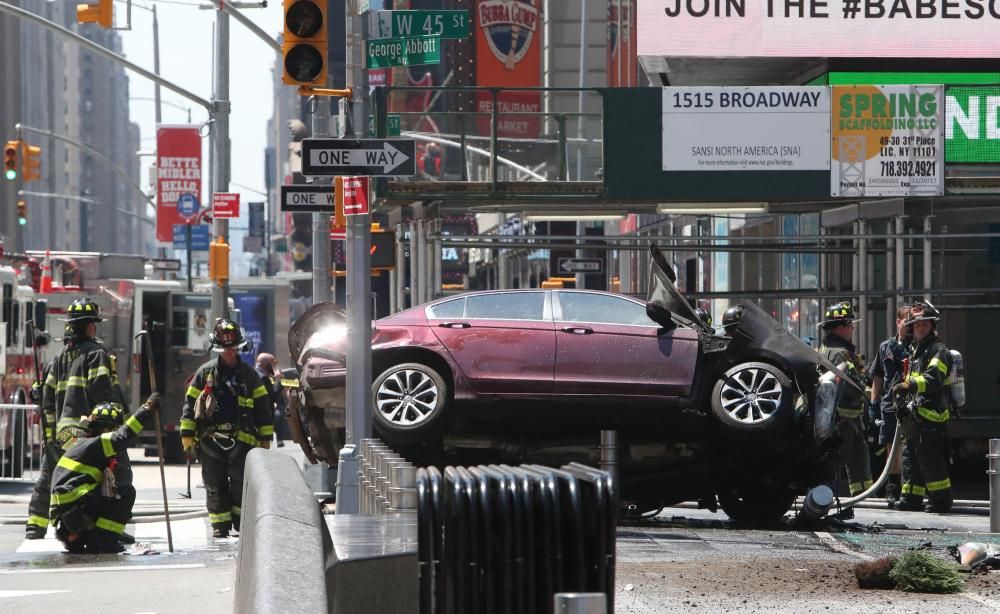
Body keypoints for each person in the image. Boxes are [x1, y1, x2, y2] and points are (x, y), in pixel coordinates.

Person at [26, 299, 130, 541]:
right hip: (88, 433)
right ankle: (110, 528)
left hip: (61, 434)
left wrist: (49, 437)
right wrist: (111, 430)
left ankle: (35, 526)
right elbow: (103, 396)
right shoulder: (96, 354)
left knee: (50, 475)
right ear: (91, 326)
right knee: (121, 476)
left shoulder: (58, 358)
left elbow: (46, 399)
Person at [180, 319, 274, 538]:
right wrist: (187, 435)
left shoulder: (250, 376)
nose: (229, 351)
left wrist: (265, 438)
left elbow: (263, 408)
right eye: (225, 348)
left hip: (243, 443)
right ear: (218, 348)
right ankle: (220, 527)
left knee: (242, 485)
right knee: (214, 485)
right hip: (210, 441)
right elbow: (189, 406)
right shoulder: (204, 374)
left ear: (238, 346)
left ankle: (241, 524)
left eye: (232, 347)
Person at [50, 397, 159, 553]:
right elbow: (124, 436)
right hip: (75, 509)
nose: (117, 429)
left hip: (67, 515)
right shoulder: (97, 444)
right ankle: (104, 540)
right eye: (116, 427)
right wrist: (147, 409)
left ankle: (81, 535)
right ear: (107, 428)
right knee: (125, 492)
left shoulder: (83, 443)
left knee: (108, 487)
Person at [893, 300, 954, 513]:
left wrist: (908, 385)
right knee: (911, 459)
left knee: (930, 460)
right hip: (915, 415)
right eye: (917, 324)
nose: (920, 327)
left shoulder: (938, 350)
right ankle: (911, 498)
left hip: (932, 416)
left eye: (925, 323)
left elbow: (934, 378)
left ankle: (941, 501)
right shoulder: (915, 350)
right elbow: (909, 378)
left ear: (931, 326)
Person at [818, 302, 872, 515]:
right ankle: (839, 504)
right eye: (849, 323)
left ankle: (862, 503)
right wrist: (867, 392)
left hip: (846, 418)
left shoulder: (827, 348)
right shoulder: (840, 353)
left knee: (858, 462)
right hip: (843, 418)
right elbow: (851, 385)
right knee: (838, 463)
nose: (852, 327)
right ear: (838, 326)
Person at [867, 305, 911, 508]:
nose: (909, 326)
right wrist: (874, 404)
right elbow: (877, 376)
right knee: (891, 448)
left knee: (910, 447)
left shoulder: (916, 346)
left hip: (911, 403)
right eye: (906, 322)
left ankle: (909, 488)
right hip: (888, 405)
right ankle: (892, 488)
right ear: (898, 322)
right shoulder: (886, 347)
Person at [255, 353, 290, 447]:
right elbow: (272, 396)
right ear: (268, 364)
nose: (275, 367)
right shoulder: (262, 377)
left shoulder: (253, 373)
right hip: (260, 423)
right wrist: (278, 380)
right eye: (273, 364)